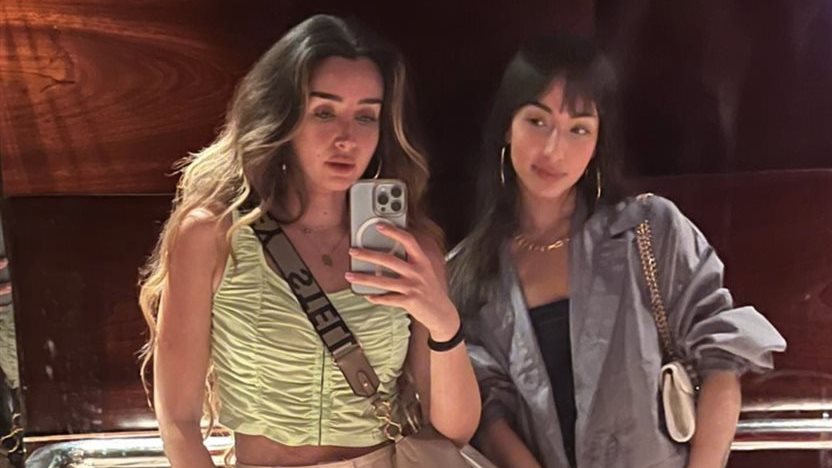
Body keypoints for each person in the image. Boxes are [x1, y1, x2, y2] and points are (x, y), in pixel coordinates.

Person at [138, 14, 480, 468]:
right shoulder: (213, 235)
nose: (347, 138)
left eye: (366, 116)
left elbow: (455, 431)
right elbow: (178, 421)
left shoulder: (411, 249)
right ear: (283, 116)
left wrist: (443, 322)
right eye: (324, 112)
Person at [447, 34, 786, 468]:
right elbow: (488, 410)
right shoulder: (468, 270)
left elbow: (720, 356)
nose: (554, 149)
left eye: (579, 129)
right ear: (506, 127)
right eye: (537, 121)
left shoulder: (649, 229)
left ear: (598, 142)